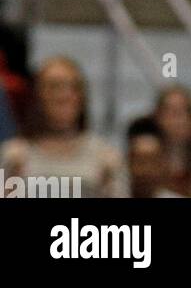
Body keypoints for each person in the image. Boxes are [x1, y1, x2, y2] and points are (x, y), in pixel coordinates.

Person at [1, 56, 120, 198]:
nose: (64, 95)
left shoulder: (107, 158)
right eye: (54, 86)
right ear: (37, 95)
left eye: (73, 87)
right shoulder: (14, 156)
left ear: (82, 96)